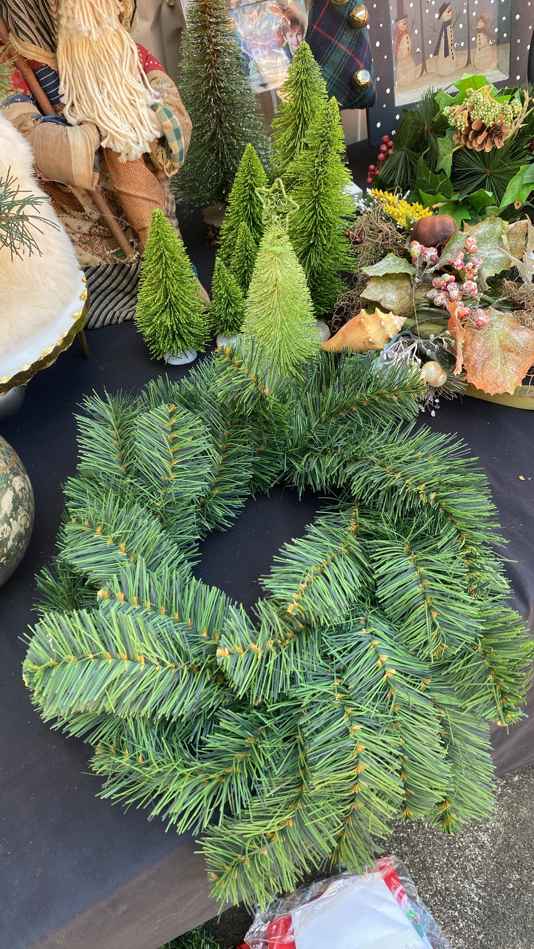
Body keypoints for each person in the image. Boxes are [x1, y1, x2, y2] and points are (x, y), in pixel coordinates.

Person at [0, 0, 200, 327]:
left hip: (150, 199)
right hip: (91, 229)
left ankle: (174, 281)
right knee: (101, 296)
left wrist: (151, 117)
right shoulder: (21, 65)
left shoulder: (119, 49)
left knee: (163, 246)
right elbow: (21, 130)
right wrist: (85, 137)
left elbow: (160, 91)